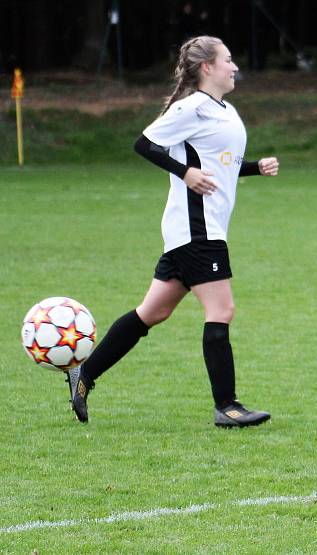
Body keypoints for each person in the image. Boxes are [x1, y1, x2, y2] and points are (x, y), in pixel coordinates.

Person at [67, 35, 279, 428]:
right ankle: (227, 406)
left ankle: (84, 373)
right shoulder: (192, 107)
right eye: (228, 60)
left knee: (152, 312)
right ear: (207, 68)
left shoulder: (226, 110)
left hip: (193, 230)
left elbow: (220, 162)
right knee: (222, 309)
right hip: (198, 231)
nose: (235, 67)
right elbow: (144, 144)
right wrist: (185, 173)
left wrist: (254, 167)